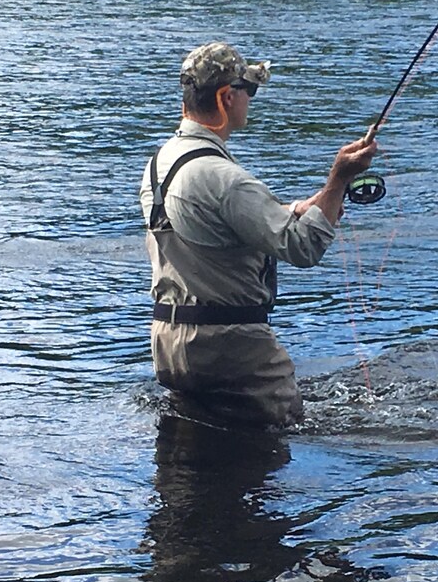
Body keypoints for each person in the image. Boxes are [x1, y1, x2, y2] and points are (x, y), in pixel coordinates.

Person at [138, 41, 377, 428]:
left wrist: (297, 208)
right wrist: (339, 179)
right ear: (226, 97)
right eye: (249, 90)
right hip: (234, 351)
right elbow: (303, 248)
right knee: (275, 451)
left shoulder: (159, 164)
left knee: (195, 460)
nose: (251, 99)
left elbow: (210, 225)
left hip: (171, 346)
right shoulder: (226, 180)